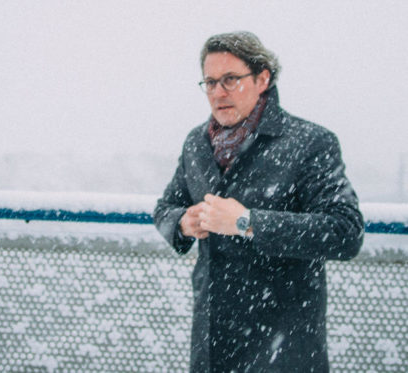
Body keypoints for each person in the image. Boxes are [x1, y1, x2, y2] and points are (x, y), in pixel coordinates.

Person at [153, 31, 363, 372]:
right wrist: (182, 222)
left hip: (284, 344)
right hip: (212, 343)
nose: (218, 92)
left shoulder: (310, 142)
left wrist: (247, 222)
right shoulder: (196, 143)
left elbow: (345, 232)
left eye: (231, 79)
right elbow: (164, 208)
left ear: (262, 78)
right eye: (210, 82)